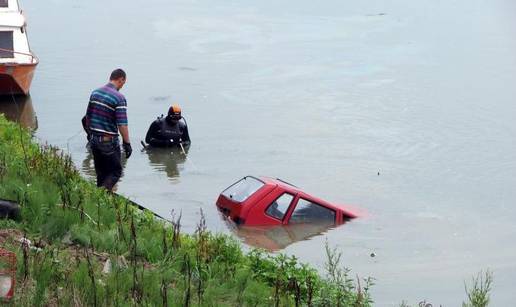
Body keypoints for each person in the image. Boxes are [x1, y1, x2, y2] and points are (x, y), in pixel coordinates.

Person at [83, 69, 132, 191]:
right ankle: (101, 194)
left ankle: (102, 201)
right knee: (115, 172)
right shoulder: (119, 98)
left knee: (101, 174)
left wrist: (90, 135)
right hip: (108, 142)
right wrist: (127, 143)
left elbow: (87, 117)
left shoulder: (95, 93)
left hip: (94, 141)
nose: (122, 86)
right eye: (123, 83)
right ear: (120, 79)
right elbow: (122, 124)